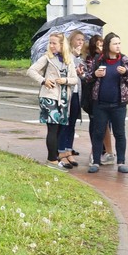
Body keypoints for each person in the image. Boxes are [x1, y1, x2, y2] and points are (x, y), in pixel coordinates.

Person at [83, 32, 128, 173]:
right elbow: (87, 77)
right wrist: (95, 74)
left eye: (119, 43)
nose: (118, 46)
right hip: (100, 103)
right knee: (98, 132)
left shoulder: (124, 60)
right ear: (108, 45)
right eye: (115, 43)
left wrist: (125, 73)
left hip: (119, 104)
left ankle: (121, 162)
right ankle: (96, 162)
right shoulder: (99, 59)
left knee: (119, 133)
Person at [27, 32, 77, 168]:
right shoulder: (47, 58)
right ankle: (52, 160)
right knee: (53, 128)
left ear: (62, 44)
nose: (51, 45)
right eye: (50, 43)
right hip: (49, 97)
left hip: (63, 99)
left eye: (54, 43)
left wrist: (65, 80)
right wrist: (44, 81)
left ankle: (55, 157)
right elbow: (31, 71)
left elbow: (74, 79)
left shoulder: (68, 60)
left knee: (60, 128)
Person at [83, 34, 116, 165]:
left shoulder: (120, 59)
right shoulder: (94, 59)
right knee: (98, 125)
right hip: (95, 97)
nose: (100, 48)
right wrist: (94, 74)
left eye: (102, 45)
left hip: (111, 97)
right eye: (98, 45)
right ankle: (95, 154)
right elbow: (88, 77)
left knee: (108, 126)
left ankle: (108, 152)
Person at [56, 30, 87, 167]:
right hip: (66, 93)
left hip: (76, 93)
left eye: (82, 40)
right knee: (65, 122)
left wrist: (82, 73)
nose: (81, 42)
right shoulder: (65, 55)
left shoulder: (80, 57)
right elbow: (64, 70)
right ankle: (61, 151)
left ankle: (69, 150)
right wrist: (74, 56)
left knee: (73, 122)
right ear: (71, 41)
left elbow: (83, 75)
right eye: (78, 39)